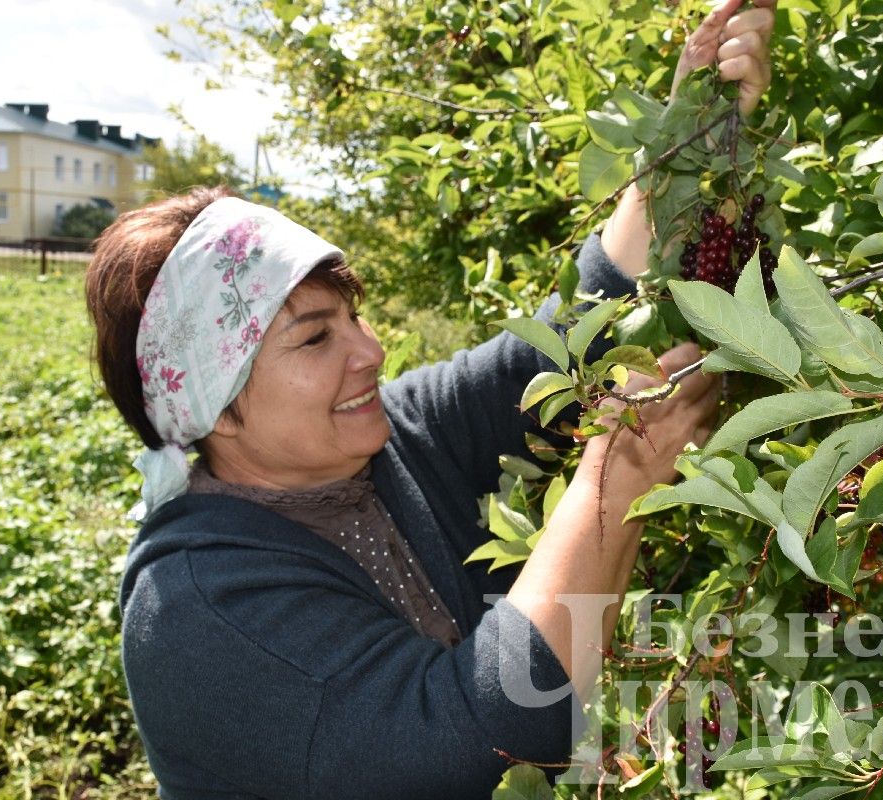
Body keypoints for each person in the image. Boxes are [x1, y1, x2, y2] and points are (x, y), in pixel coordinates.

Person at [84, 2, 774, 796]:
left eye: (354, 316)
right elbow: (484, 742)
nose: (369, 352)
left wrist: (692, 127)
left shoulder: (392, 440)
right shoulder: (198, 608)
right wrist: (615, 480)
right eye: (315, 338)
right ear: (213, 406)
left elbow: (579, 324)